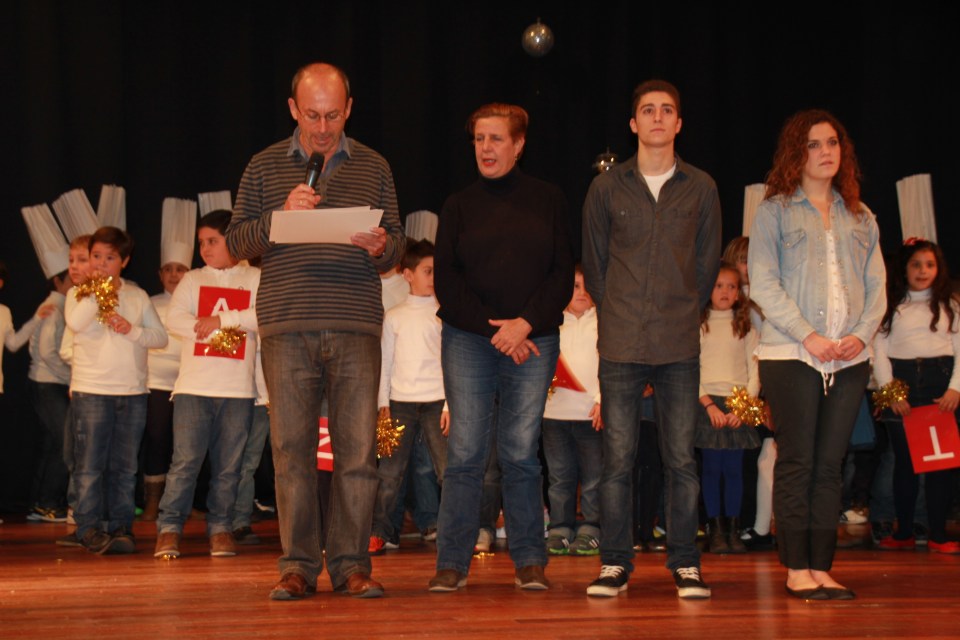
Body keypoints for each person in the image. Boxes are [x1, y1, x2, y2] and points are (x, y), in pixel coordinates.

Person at [226, 62, 404, 600]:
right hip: (286, 324)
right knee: (291, 453)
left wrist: (381, 248)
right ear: (292, 110)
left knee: (357, 454)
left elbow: (397, 243)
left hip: (354, 324)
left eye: (332, 115)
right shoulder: (263, 166)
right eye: (312, 115)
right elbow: (236, 243)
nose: (322, 127)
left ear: (348, 109)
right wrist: (279, 217)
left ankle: (352, 565)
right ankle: (298, 565)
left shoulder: (374, 165)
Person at [582, 79, 721, 598]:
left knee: (681, 459)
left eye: (667, 110)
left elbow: (706, 269)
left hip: (679, 345)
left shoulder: (701, 187)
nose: (658, 118)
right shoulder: (605, 189)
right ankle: (614, 563)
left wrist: (681, 309)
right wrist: (620, 314)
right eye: (648, 110)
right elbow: (595, 268)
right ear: (633, 123)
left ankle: (685, 561)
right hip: (619, 345)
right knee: (616, 461)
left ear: (678, 123)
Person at [430, 102, 573, 592]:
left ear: (518, 144)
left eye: (495, 139)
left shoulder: (549, 199)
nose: (486, 148)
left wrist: (525, 324)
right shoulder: (458, 204)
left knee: (520, 453)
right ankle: (451, 562)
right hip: (470, 340)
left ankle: (530, 559)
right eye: (478, 139)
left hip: (532, 341)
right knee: (466, 452)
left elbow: (561, 274)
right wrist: (499, 332)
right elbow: (446, 282)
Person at [749, 109, 885, 600]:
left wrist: (861, 334)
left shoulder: (861, 215)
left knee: (832, 463)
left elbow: (877, 286)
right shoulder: (775, 211)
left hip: (849, 358)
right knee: (798, 461)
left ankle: (822, 566)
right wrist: (809, 335)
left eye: (832, 143)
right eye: (814, 144)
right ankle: (795, 568)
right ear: (795, 153)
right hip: (791, 354)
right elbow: (763, 282)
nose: (826, 151)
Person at [154, 210, 260, 558]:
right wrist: (225, 334)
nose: (205, 248)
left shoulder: (256, 277)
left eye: (212, 241)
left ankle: (220, 528)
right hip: (193, 388)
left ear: (234, 239)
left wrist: (220, 319)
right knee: (185, 462)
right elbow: (176, 320)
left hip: (238, 390)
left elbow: (262, 316)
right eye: (202, 242)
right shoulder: (193, 279)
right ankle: (169, 528)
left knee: (229, 468)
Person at [65, 227, 168, 553]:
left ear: (124, 261)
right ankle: (88, 528)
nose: (101, 263)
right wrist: (96, 291)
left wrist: (133, 330)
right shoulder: (78, 293)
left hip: (132, 391)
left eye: (110, 258)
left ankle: (120, 526)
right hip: (91, 389)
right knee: (90, 465)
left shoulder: (137, 297)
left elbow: (160, 338)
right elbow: (76, 324)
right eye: (96, 257)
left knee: (124, 467)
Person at [874, 239, 960, 554]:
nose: (923, 271)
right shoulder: (890, 306)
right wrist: (890, 391)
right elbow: (879, 352)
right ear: (904, 269)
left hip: (941, 389)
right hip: (903, 387)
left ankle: (938, 534)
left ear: (939, 270)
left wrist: (955, 389)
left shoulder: (950, 306)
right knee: (904, 464)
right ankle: (904, 531)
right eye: (916, 265)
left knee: (941, 466)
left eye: (930, 265)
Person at [369, 239, 449, 553]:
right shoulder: (395, 316)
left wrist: (449, 404)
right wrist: (382, 404)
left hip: (436, 403)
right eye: (428, 271)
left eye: (436, 271)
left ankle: (453, 530)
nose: (434, 277)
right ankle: (382, 531)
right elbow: (384, 361)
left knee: (446, 469)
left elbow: (451, 362)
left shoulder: (445, 315)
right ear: (408, 275)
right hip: (399, 403)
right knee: (389, 471)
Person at [696, 262, 760, 554]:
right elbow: (690, 369)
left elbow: (755, 370)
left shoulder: (745, 326)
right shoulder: (698, 324)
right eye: (718, 285)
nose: (724, 291)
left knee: (734, 470)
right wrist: (709, 405)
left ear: (739, 293)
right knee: (711, 469)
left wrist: (742, 408)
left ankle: (733, 530)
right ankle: (715, 529)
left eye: (731, 286)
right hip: (709, 404)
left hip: (737, 405)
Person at [542, 264, 603, 557]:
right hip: (554, 413)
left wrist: (604, 399)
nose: (581, 292)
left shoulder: (604, 323)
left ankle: (592, 526)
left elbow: (611, 365)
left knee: (594, 476)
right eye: (575, 286)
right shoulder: (551, 323)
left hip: (590, 414)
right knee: (560, 475)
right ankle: (560, 527)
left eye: (586, 286)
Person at [723, 237, 777, 550]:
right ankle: (742, 524)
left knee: (766, 458)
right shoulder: (724, 298)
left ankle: (760, 528)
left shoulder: (765, 299)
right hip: (731, 391)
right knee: (740, 461)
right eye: (742, 260)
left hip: (762, 388)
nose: (747, 267)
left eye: (752, 260)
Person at [141, 258, 190, 521]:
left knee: (184, 446)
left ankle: (180, 502)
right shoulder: (149, 302)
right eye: (168, 270)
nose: (174, 274)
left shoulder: (196, 301)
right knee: (158, 440)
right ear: (160, 275)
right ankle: (152, 501)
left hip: (188, 383)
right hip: (156, 382)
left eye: (180, 269)